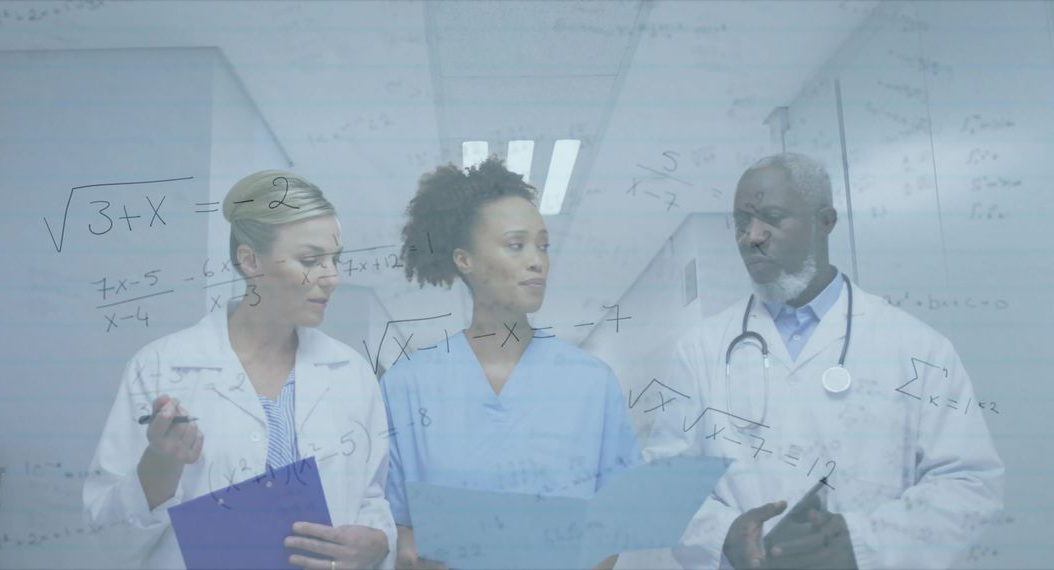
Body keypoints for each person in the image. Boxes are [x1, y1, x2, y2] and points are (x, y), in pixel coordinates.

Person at [644, 152, 1004, 569]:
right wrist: (724, 534)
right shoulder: (701, 350)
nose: (751, 236)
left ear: (825, 222)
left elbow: (969, 484)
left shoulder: (917, 348)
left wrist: (860, 543)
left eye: (771, 217)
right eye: (742, 222)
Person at [83, 170, 395, 569]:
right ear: (251, 261)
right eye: (310, 260)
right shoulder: (160, 367)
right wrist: (161, 464)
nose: (332, 277)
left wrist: (378, 542)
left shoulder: (352, 373)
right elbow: (107, 537)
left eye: (336, 259)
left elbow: (370, 498)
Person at [381, 157, 641, 569]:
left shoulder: (592, 383)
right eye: (516, 245)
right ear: (464, 260)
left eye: (543, 245)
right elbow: (396, 520)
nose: (537, 260)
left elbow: (614, 519)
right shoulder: (406, 386)